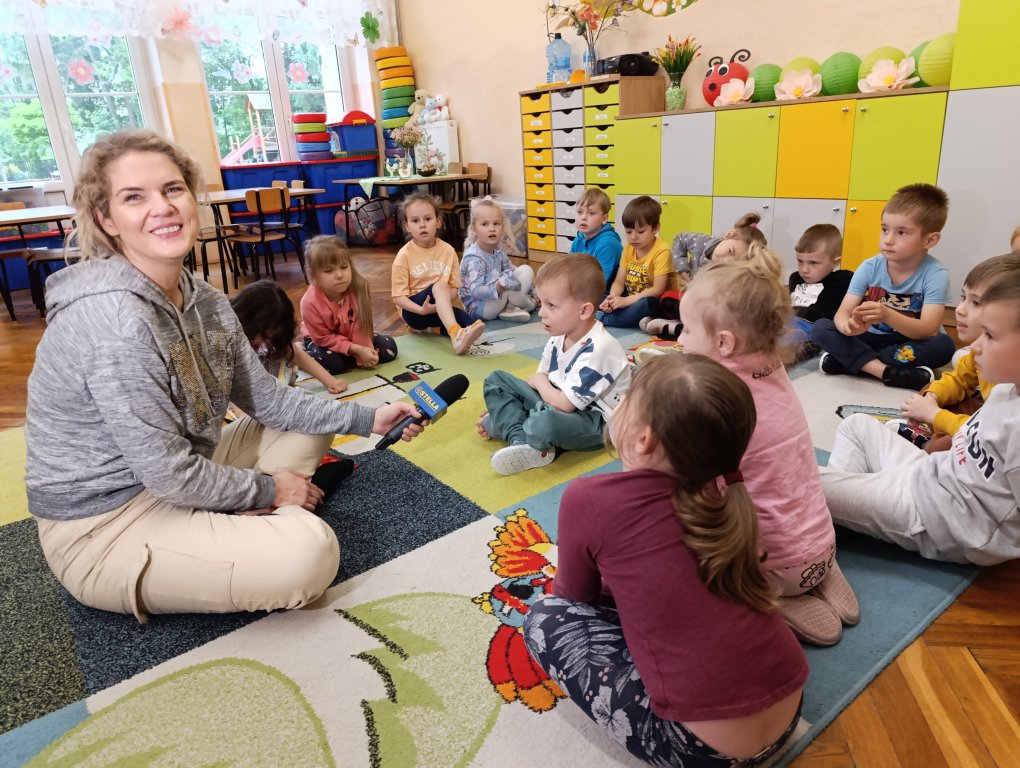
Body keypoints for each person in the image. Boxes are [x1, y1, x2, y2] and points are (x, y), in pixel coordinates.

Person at [24, 129, 425, 622]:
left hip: (182, 474)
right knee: (309, 553)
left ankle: (239, 513)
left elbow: (270, 401)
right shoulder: (115, 322)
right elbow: (167, 473)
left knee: (309, 422)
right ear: (106, 219)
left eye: (172, 189)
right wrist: (271, 490)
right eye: (134, 197)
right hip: (106, 525)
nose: (163, 207)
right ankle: (260, 510)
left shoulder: (206, 300)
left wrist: (370, 418)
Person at [523, 354, 807, 767]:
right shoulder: (724, 493)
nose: (618, 403)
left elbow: (573, 595)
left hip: (702, 752)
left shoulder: (588, 499)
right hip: (790, 707)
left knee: (545, 617)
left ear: (644, 439)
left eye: (624, 398)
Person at [679, 250, 858, 645]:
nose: (679, 339)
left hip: (773, 568)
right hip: (825, 543)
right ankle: (817, 570)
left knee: (683, 508)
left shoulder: (716, 399)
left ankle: (769, 591)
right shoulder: (772, 366)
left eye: (687, 330)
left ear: (724, 342)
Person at [822, 264, 1020, 566]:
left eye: (990, 336)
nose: (976, 347)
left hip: (938, 519)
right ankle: (837, 525)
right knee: (856, 425)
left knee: (802, 483)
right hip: (929, 477)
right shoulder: (1006, 391)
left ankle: (831, 524)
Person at [477, 253, 631, 476]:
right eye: (542, 303)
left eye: (551, 305)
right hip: (558, 402)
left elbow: (561, 404)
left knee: (544, 422)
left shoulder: (600, 348)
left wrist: (515, 405)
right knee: (496, 380)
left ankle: (516, 427)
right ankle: (520, 438)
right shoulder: (558, 338)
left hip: (597, 422)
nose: (541, 313)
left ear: (584, 310)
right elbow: (541, 386)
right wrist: (521, 395)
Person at [811, 183, 957, 391]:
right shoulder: (869, 266)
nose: (888, 240)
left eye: (902, 233)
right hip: (868, 337)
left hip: (906, 342)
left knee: (944, 346)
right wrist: (848, 327)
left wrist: (887, 315)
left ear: (929, 240)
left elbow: (927, 329)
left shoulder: (936, 274)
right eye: (884, 229)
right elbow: (842, 314)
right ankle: (885, 372)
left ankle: (853, 361)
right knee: (821, 328)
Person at [898, 254, 1020, 452]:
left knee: (947, 444)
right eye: (964, 298)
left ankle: (927, 440)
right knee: (936, 389)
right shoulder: (978, 351)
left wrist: (934, 415)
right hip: (985, 420)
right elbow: (959, 380)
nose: (960, 310)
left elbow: (988, 433)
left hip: (993, 436)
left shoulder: (1009, 369)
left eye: (976, 303)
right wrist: (933, 398)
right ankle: (928, 431)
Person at [643, 212, 767, 339]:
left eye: (734, 262)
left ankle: (679, 329)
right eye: (730, 251)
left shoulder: (732, 273)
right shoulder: (702, 242)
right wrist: (682, 269)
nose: (726, 260)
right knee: (667, 299)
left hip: (709, 311)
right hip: (691, 302)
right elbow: (679, 239)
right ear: (729, 235)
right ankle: (684, 328)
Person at [391, 190, 484, 355]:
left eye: (428, 219)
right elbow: (398, 297)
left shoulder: (448, 251)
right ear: (407, 226)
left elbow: (454, 289)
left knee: (471, 324)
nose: (422, 225)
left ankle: (432, 330)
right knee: (440, 286)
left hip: (438, 309)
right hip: (414, 312)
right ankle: (455, 334)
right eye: (415, 221)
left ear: (438, 221)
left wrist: (439, 306)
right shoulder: (404, 255)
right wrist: (420, 310)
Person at [300, 235, 397, 373]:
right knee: (334, 364)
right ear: (312, 274)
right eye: (329, 271)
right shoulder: (309, 303)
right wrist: (356, 350)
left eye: (344, 267)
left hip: (351, 336)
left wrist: (365, 350)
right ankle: (303, 357)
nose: (339, 275)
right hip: (320, 340)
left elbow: (361, 327)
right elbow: (323, 338)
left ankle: (348, 360)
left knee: (388, 349)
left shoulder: (359, 287)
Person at [231, 279, 348, 394]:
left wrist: (330, 381)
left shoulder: (270, 338)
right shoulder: (232, 337)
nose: (272, 336)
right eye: (268, 334)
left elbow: (295, 354)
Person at [600, 195, 675, 329]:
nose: (633, 237)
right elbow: (619, 281)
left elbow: (658, 290)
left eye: (641, 231)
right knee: (598, 295)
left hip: (653, 301)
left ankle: (604, 318)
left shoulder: (662, 251)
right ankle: (609, 312)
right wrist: (612, 298)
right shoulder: (628, 248)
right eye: (628, 232)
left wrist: (626, 301)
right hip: (631, 297)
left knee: (645, 305)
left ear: (656, 228)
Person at [459, 197, 536, 322]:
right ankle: (530, 304)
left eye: (496, 223)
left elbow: (512, 270)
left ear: (502, 226)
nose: (492, 229)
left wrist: (533, 290)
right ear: (474, 229)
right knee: (511, 290)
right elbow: (476, 292)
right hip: (481, 308)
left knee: (525, 269)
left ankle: (511, 307)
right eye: (485, 224)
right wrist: (499, 286)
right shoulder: (474, 257)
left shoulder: (498, 250)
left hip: (497, 298)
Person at [788, 224, 853, 361]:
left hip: (814, 329)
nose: (804, 269)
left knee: (793, 345)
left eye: (813, 263)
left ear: (835, 263)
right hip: (788, 322)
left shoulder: (843, 280)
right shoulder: (795, 278)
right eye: (800, 261)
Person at [568, 187, 622, 289]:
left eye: (591, 213)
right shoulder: (579, 239)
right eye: (579, 212)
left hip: (603, 291)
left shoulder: (607, 243)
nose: (583, 217)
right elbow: (568, 268)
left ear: (604, 219)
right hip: (583, 286)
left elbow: (600, 283)